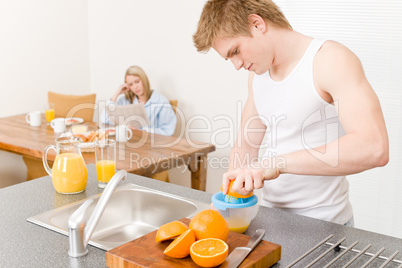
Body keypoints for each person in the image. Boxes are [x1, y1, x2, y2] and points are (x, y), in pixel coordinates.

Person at [193, 0, 389, 225]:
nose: (236, 65)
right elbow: (246, 146)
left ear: (256, 24)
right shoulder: (258, 74)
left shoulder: (330, 60)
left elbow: (374, 147)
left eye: (235, 51)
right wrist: (229, 199)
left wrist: (276, 163)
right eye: (229, 58)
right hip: (271, 219)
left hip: (325, 226)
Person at [101, 65, 177, 136]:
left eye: (137, 82)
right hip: (128, 143)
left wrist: (143, 131)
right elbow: (104, 120)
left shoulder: (161, 101)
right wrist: (116, 94)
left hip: (150, 145)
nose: (135, 87)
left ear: (144, 80)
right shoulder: (124, 100)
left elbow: (168, 131)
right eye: (131, 84)